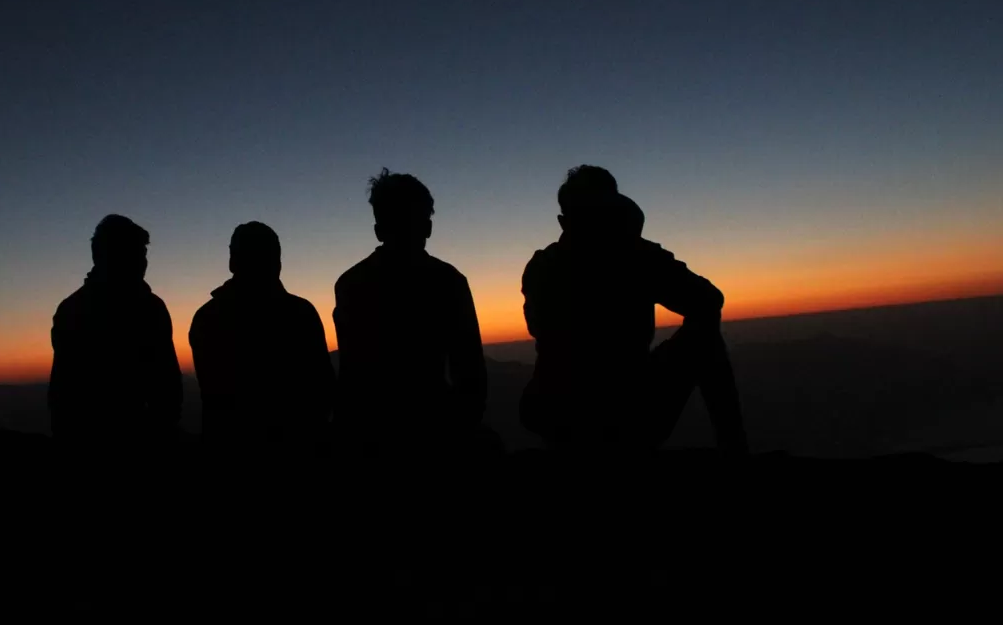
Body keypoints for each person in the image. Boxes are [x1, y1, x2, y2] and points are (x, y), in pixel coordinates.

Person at [520, 166, 748, 455]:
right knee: (705, 337)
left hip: (553, 413)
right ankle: (735, 450)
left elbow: (540, 330)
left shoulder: (541, 265)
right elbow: (708, 300)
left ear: (563, 221)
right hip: (626, 412)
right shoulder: (635, 258)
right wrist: (638, 247)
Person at [333, 169, 487, 454]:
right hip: (436, 430)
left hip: (369, 432)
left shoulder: (351, 284)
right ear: (428, 227)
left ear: (378, 231)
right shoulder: (449, 281)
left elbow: (351, 374)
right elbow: (471, 374)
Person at [189, 222, 334, 454]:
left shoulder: (208, 317)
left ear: (232, 262)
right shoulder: (301, 313)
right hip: (298, 445)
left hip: (229, 446)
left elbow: (215, 394)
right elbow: (322, 386)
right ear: (277, 263)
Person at [48, 214, 183, 452]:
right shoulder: (148, 308)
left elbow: (166, 383)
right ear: (104, 257)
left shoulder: (71, 308)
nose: (142, 263)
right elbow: (166, 385)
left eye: (142, 255)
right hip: (121, 441)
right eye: (133, 254)